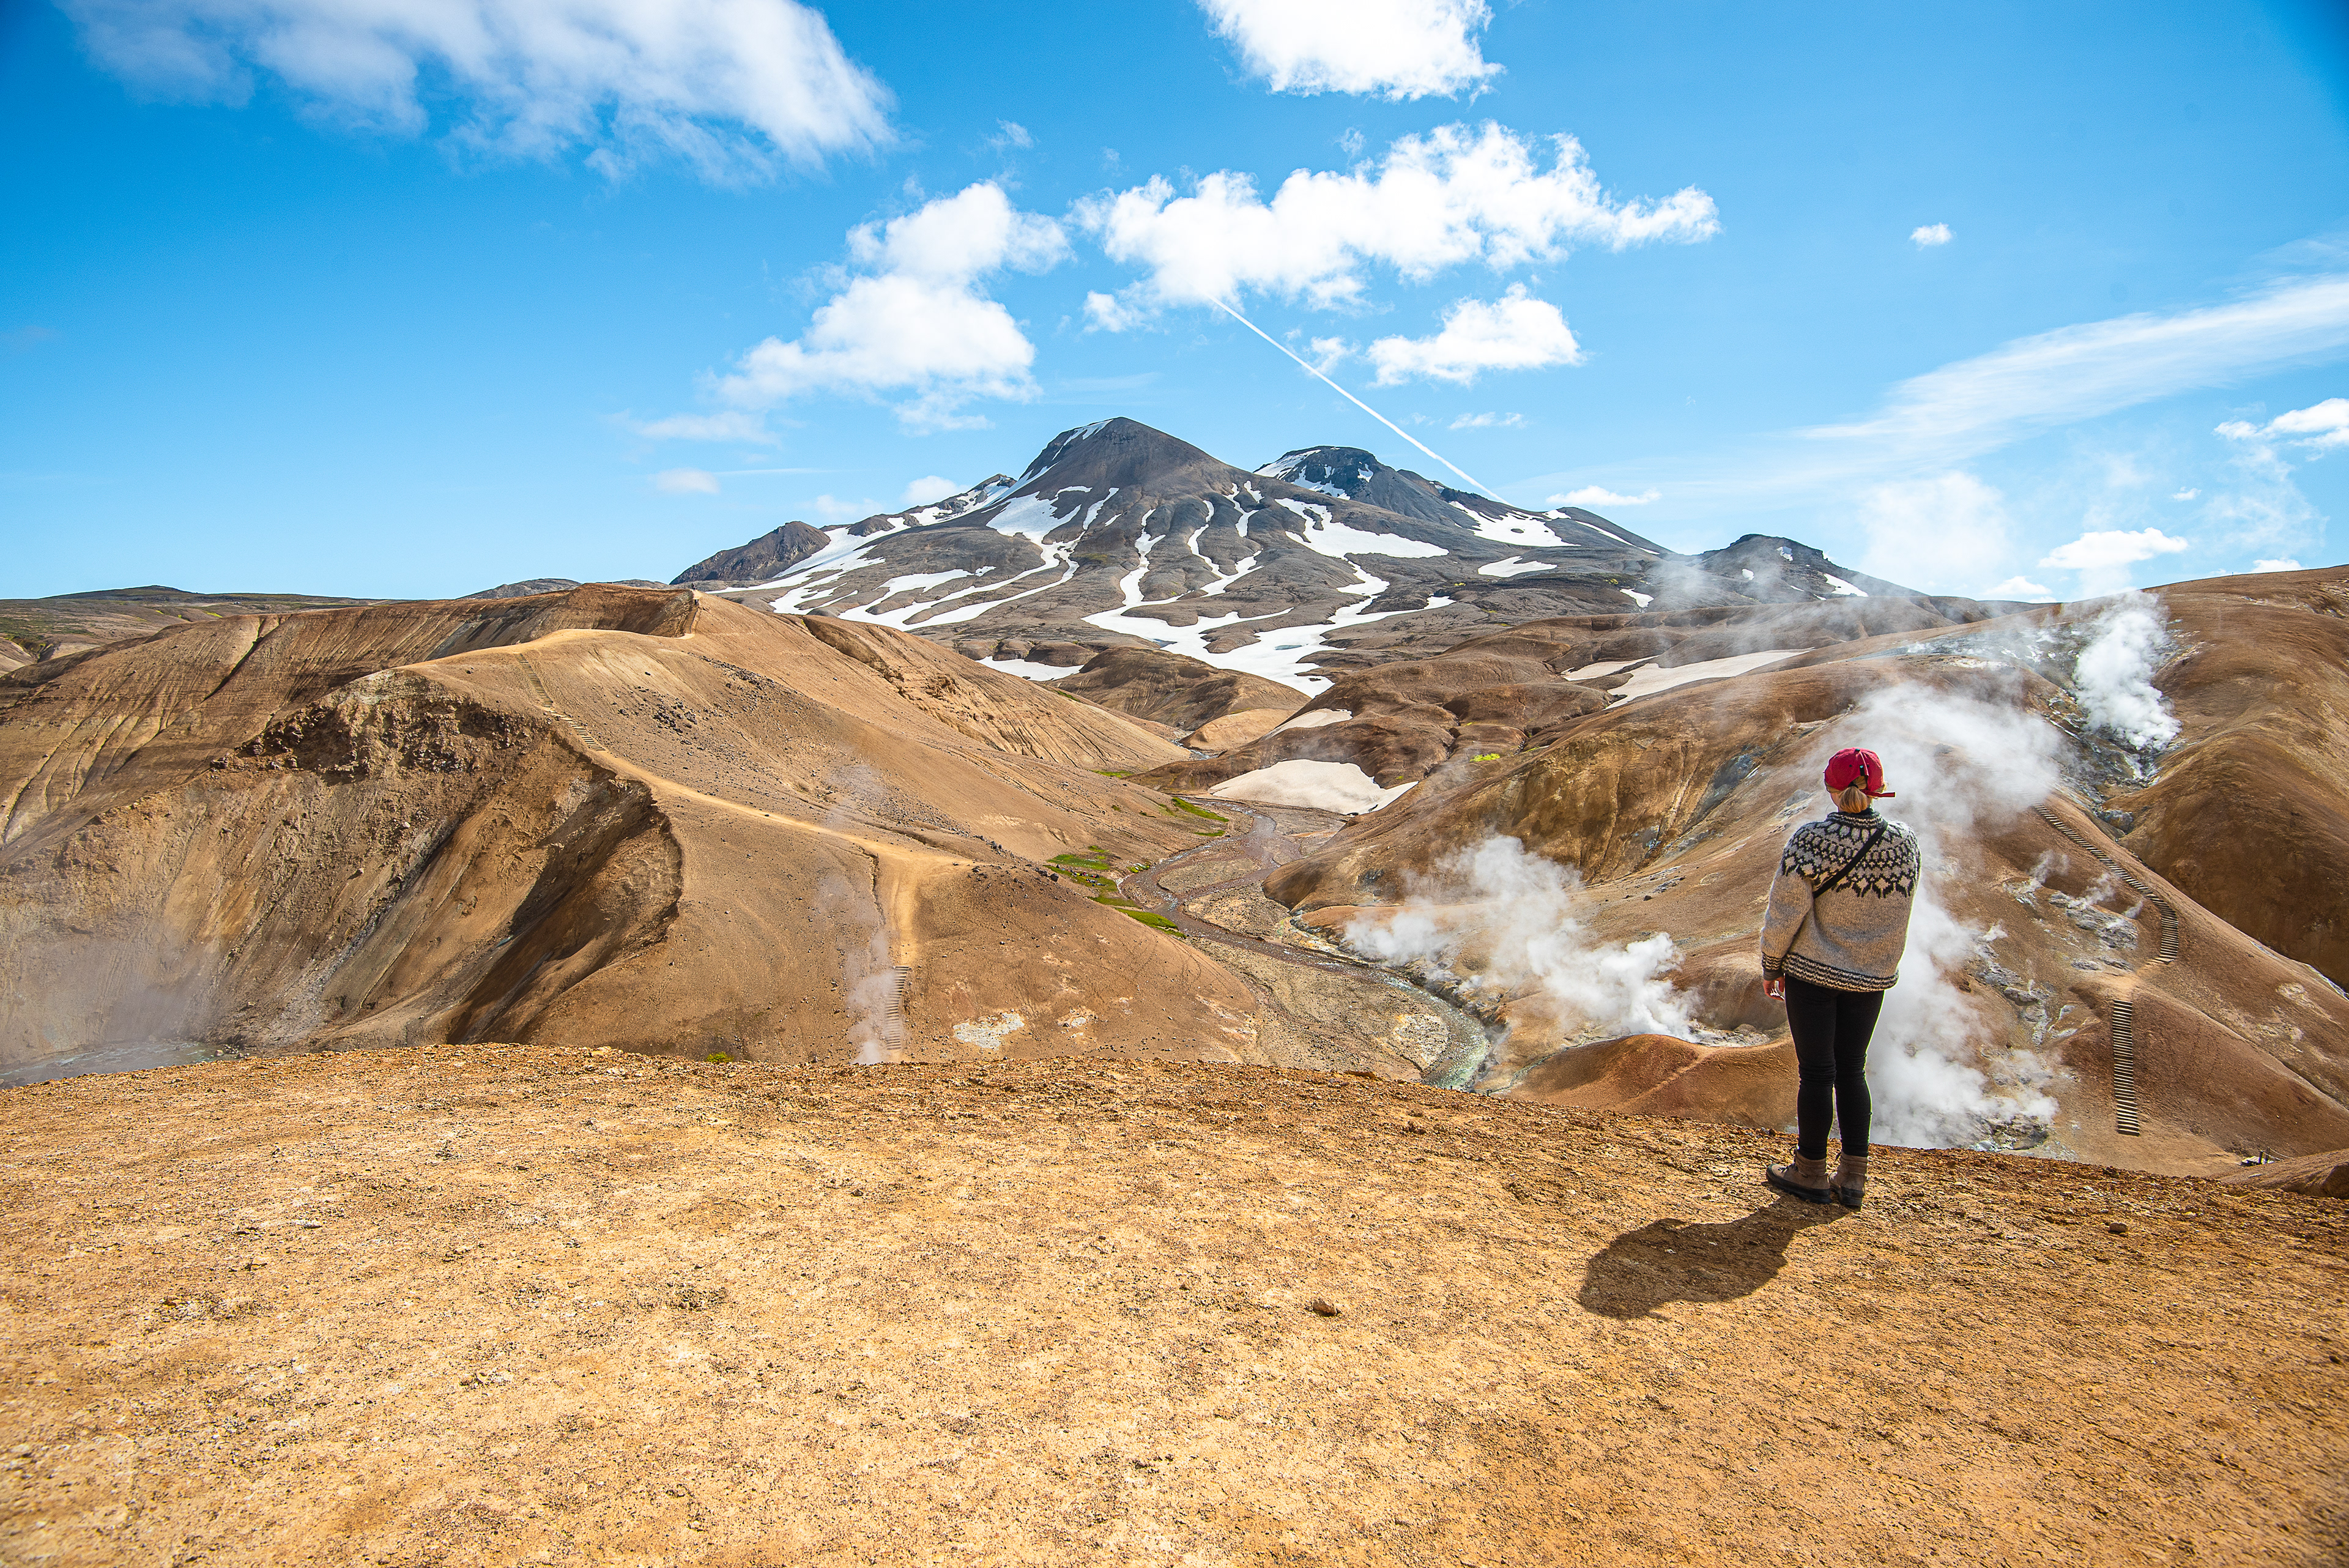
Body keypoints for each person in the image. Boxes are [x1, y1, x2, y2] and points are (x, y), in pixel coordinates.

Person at [1757, 747, 1919, 1208]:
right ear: (1875, 789)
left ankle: (1809, 1169)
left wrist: (1772, 964)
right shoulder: (1904, 842)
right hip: (1869, 978)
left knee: (1817, 1071)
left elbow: (1785, 912)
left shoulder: (1811, 841)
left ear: (1831, 787)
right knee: (1852, 1069)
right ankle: (1853, 1177)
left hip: (1812, 973)